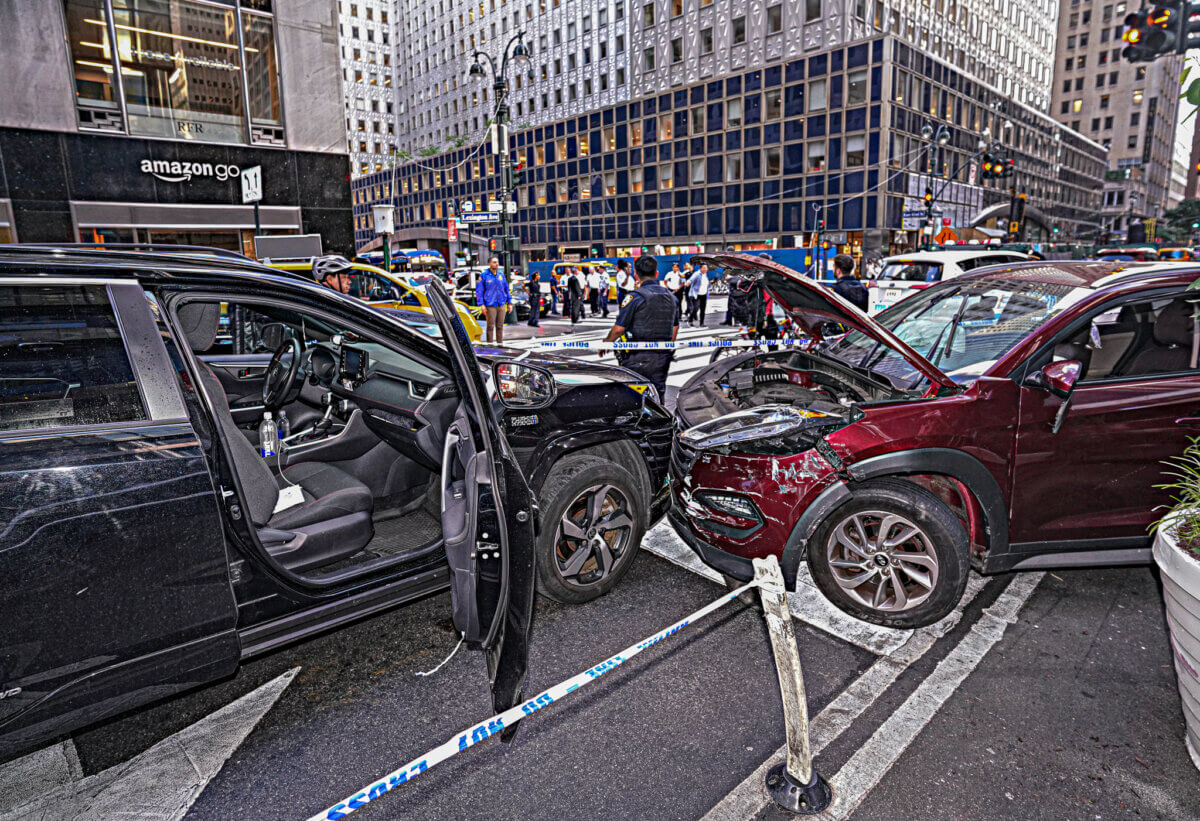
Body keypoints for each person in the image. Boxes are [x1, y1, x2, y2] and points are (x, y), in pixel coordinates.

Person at [600, 254, 679, 399]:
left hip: (636, 355)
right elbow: (675, 328)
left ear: (636, 275)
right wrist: (667, 348)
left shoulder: (634, 297)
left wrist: (606, 343)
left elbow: (619, 329)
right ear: (656, 273)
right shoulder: (671, 297)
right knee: (658, 393)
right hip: (662, 355)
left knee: (632, 395)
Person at [476, 256, 512, 344]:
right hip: (490, 304)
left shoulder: (501, 274)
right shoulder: (484, 275)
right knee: (490, 326)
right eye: (494, 262)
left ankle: (500, 344)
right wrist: (481, 304)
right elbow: (479, 291)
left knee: (500, 326)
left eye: (497, 262)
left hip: (501, 304)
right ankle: (490, 345)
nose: (497, 264)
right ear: (489, 264)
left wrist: (510, 302)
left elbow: (506, 289)